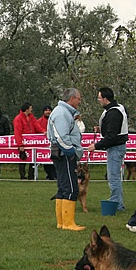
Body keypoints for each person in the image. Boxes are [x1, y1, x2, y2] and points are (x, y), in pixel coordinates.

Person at [47, 88, 85, 231]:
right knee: (70, 187)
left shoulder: (61, 112)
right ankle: (68, 223)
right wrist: (71, 152)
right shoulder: (62, 113)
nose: (80, 101)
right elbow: (61, 136)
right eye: (79, 99)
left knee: (63, 187)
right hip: (65, 155)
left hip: (61, 154)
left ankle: (61, 222)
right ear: (71, 99)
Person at [86, 87, 129, 212]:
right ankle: (118, 202)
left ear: (105, 98)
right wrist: (101, 129)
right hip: (116, 147)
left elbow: (111, 136)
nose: (98, 100)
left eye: (99, 98)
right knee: (114, 177)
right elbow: (114, 129)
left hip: (116, 148)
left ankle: (117, 204)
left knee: (113, 177)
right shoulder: (116, 108)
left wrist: (96, 146)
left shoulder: (113, 113)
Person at [13, 102, 45, 180]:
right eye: (30, 108)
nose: (31, 109)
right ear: (27, 109)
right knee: (22, 159)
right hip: (24, 142)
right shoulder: (18, 119)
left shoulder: (32, 117)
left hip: (32, 142)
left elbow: (37, 126)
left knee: (33, 159)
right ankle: (22, 176)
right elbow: (17, 132)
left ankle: (31, 175)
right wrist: (20, 144)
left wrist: (43, 131)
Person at [37, 105, 57, 180]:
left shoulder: (54, 120)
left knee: (54, 159)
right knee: (45, 160)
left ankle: (54, 175)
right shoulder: (39, 121)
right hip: (44, 145)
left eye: (49, 110)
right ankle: (49, 175)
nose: (48, 112)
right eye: (46, 110)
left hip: (53, 143)